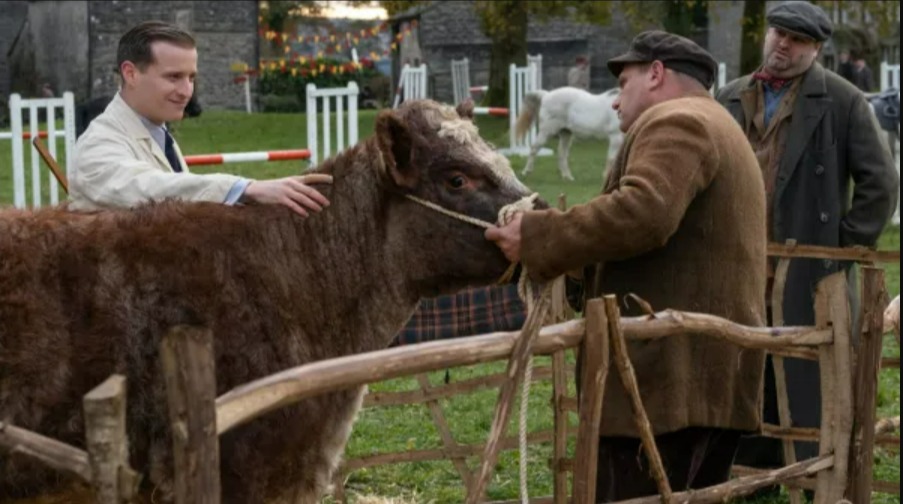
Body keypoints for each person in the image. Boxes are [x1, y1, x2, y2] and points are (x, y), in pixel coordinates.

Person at [486, 30, 768, 501]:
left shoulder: (678, 122)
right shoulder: (716, 121)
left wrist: (537, 235)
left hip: (665, 386)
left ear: (656, 74)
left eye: (624, 83)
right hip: (701, 379)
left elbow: (644, 214)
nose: (616, 103)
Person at [714, 1, 898, 498]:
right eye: (778, 34)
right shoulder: (730, 97)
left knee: (811, 375)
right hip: (741, 262)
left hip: (810, 269)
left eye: (796, 40)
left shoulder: (842, 100)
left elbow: (880, 185)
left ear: (815, 49)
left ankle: (818, 475)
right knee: (746, 366)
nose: (782, 45)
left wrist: (837, 250)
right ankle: (751, 476)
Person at [69, 21, 330, 217]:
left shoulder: (156, 134)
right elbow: (148, 188)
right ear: (131, 74)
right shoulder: (98, 144)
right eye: (173, 77)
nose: (186, 91)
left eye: (191, 77)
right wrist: (246, 189)